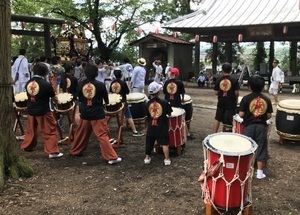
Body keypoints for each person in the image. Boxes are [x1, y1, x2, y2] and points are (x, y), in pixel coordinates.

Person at [69, 63, 122, 165]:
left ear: (85, 72)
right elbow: (106, 100)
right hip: (97, 113)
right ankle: (111, 157)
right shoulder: (100, 85)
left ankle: (75, 150)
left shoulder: (80, 84)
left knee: (81, 133)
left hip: (85, 112)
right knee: (102, 135)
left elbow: (79, 98)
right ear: (96, 73)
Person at [21, 63, 63, 159]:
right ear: (45, 73)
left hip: (31, 110)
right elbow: (54, 98)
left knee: (31, 130)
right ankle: (53, 151)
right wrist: (58, 100)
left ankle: (27, 146)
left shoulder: (28, 83)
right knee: (50, 130)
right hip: (43, 111)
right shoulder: (46, 84)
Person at [238, 75, 273, 179]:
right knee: (261, 147)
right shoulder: (266, 99)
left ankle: (244, 169)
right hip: (261, 127)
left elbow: (241, 115)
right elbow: (269, 115)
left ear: (249, 87)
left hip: (248, 126)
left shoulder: (246, 99)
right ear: (262, 87)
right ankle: (260, 173)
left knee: (246, 147)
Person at [109, 68, 144, 137]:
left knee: (109, 115)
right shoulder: (123, 82)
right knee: (128, 116)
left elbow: (111, 92)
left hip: (114, 102)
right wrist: (127, 87)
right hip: (123, 102)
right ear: (121, 75)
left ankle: (104, 129)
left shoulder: (112, 83)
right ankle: (134, 131)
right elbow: (127, 92)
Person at [144, 81, 172, 165]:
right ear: (158, 91)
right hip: (162, 126)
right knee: (164, 143)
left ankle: (147, 158)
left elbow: (147, 116)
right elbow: (169, 113)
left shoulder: (147, 103)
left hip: (151, 126)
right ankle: (167, 159)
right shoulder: (164, 103)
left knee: (149, 143)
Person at [212, 62, 240, 133]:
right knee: (233, 119)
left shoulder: (219, 79)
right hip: (231, 102)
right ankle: (235, 134)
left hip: (221, 101)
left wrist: (222, 92)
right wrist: (236, 99)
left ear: (222, 70)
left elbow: (215, 92)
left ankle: (213, 133)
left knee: (217, 118)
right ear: (231, 70)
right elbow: (236, 92)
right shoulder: (234, 80)